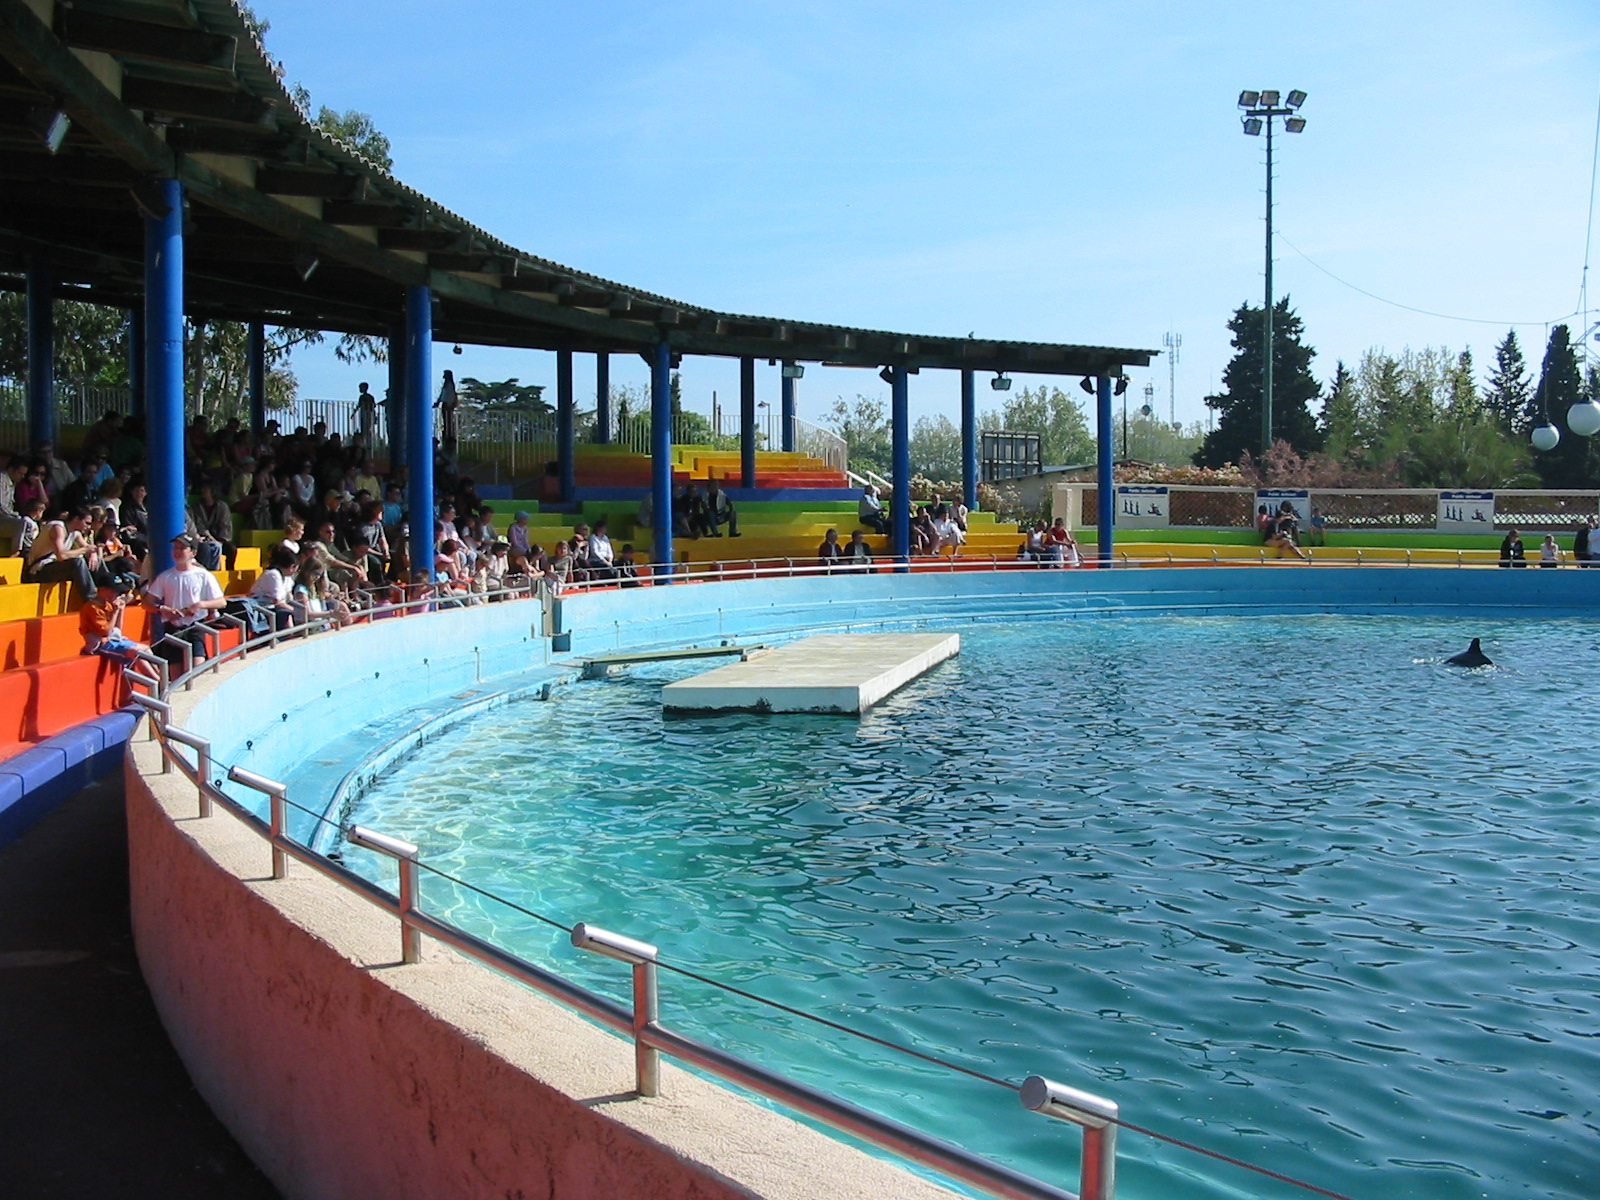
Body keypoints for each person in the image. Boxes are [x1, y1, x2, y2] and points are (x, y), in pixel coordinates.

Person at [143, 535, 226, 666]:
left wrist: (200, 605)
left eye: (182, 548)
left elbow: (221, 602)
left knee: (197, 667)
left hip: (195, 627)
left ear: (193, 553)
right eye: (175, 548)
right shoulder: (166, 576)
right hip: (173, 628)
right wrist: (162, 609)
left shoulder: (203, 575)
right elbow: (147, 603)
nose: (177, 551)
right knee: (176, 672)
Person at [24, 506, 98, 600]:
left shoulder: (75, 532)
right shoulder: (58, 528)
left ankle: (109, 591)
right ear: (76, 519)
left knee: (96, 561)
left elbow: (89, 548)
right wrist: (85, 550)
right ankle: (92, 600)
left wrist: (93, 554)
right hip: (38, 570)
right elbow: (61, 556)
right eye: (87, 523)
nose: (88, 527)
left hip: (53, 568)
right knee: (78, 562)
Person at [80, 580, 147, 662]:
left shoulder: (108, 605)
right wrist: (115, 612)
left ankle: (160, 674)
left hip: (112, 641)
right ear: (102, 589)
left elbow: (118, 630)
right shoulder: (92, 608)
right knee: (135, 652)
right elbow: (107, 632)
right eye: (114, 591)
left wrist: (120, 610)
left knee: (146, 649)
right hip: (100, 645)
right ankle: (154, 675)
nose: (116, 595)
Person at [247, 545, 298, 632]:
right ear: (292, 567)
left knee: (289, 613)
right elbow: (277, 602)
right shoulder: (273, 574)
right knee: (286, 613)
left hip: (273, 609)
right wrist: (298, 612)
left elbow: (289, 596)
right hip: (262, 609)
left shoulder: (286, 577)